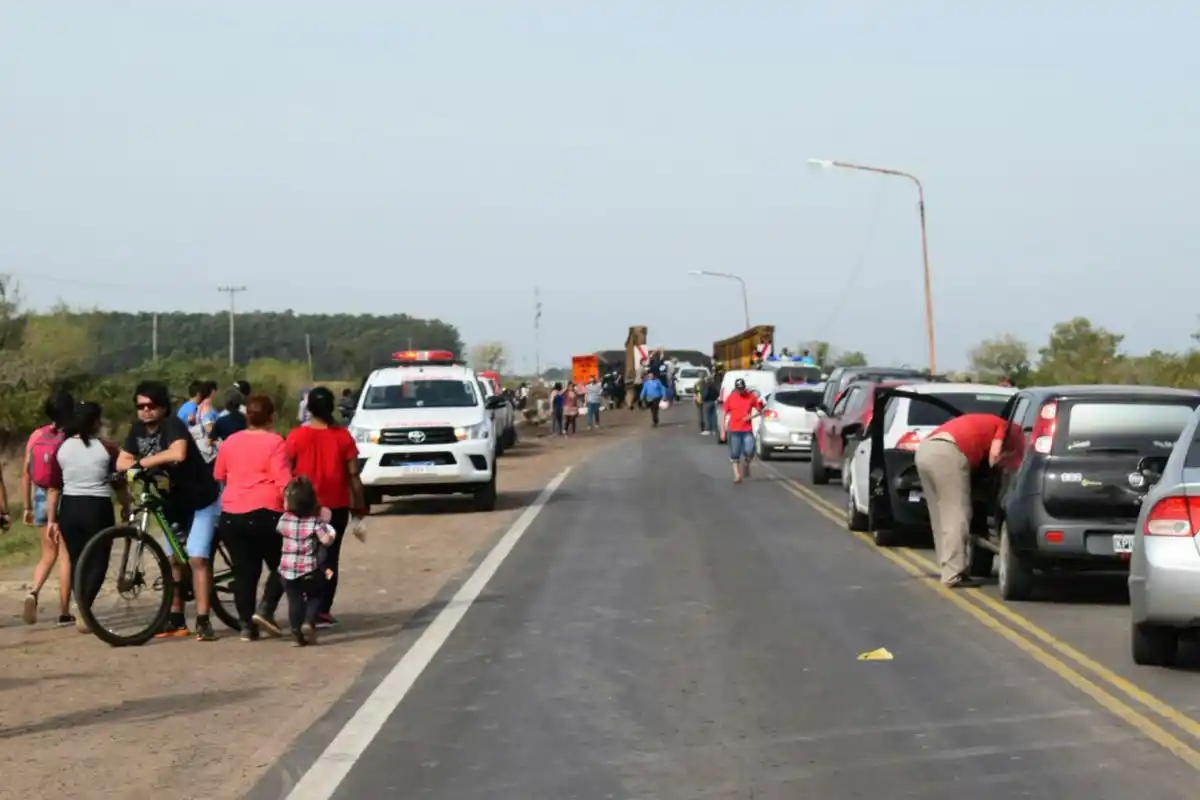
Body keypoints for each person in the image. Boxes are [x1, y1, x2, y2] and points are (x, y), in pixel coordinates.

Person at [117, 380, 223, 641]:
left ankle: (203, 618)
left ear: (163, 407)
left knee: (197, 558)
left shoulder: (173, 424)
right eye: (140, 406)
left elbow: (178, 452)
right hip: (173, 501)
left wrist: (141, 463)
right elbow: (121, 460)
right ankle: (175, 617)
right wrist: (137, 465)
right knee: (172, 558)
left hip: (201, 499)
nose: (145, 411)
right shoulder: (136, 430)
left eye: (151, 406)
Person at [45, 402, 132, 632]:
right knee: (98, 560)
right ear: (96, 422)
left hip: (70, 508)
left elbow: (54, 488)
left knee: (76, 560)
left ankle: (81, 605)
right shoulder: (107, 448)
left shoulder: (62, 449)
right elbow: (120, 483)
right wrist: (126, 507)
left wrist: (52, 520)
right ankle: (85, 607)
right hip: (98, 508)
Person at [284, 386, 365, 627]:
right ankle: (321, 609)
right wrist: (359, 506)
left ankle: (303, 605)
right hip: (335, 508)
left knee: (302, 556)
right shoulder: (342, 437)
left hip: (302, 509)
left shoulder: (296, 436)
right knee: (328, 560)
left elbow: (287, 471)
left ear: (309, 409)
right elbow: (353, 475)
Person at [213, 394, 291, 641]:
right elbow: (283, 481)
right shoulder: (276, 442)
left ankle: (247, 626)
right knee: (285, 563)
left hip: (232, 513)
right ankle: (266, 609)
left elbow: (219, 474)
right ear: (271, 417)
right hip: (266, 511)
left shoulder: (230, 442)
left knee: (244, 572)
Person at [914, 413, 1009, 588]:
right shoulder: (1003, 425)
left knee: (940, 516)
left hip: (925, 450)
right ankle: (953, 574)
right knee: (957, 514)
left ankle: (949, 567)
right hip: (949, 452)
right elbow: (994, 456)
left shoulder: (984, 420)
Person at [21, 390, 75, 625]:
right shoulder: (71, 436)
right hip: (64, 494)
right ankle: (64, 611)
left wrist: (26, 507)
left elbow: (26, 472)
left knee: (47, 554)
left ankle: (33, 592)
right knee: (65, 556)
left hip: (41, 496)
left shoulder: (37, 435)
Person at [277, 476, 338, 646]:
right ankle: (309, 621)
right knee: (315, 596)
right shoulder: (314, 522)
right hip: (310, 568)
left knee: (294, 601)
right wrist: (331, 535)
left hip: (287, 569)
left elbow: (279, 531)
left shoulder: (284, 520)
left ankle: (297, 635)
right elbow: (325, 540)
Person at [723, 378, 762, 483]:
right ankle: (737, 475)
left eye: (742, 389)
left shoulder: (751, 397)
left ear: (745, 388)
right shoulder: (731, 397)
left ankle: (746, 463)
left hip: (746, 429)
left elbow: (759, 410)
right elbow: (724, 413)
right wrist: (723, 430)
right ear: (736, 389)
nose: (740, 391)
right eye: (738, 389)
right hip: (734, 429)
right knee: (735, 453)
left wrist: (751, 416)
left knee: (749, 450)